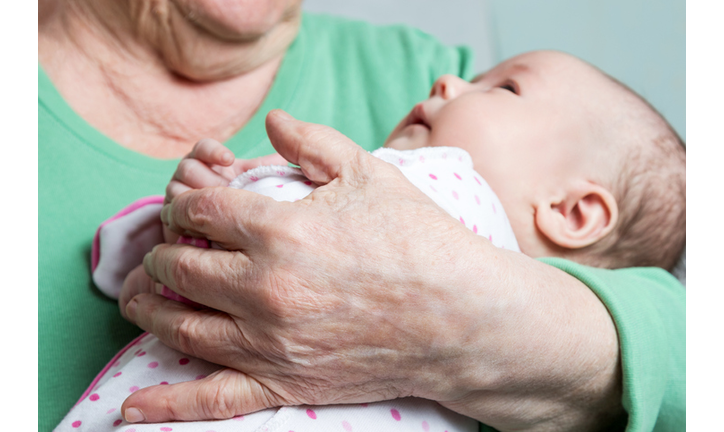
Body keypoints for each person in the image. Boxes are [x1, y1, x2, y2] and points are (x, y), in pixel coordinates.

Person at [38, 3, 684, 432]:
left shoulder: (439, 119)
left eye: (502, 87)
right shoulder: (433, 138)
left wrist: (482, 324)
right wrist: (190, 222)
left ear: (575, 212)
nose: (446, 85)